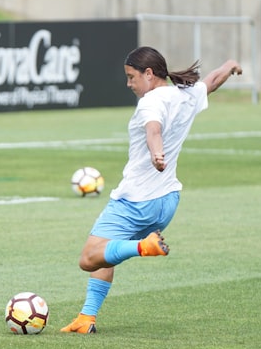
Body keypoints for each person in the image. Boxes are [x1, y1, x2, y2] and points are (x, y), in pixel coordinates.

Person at [60, 47, 243, 334]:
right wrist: (229, 65)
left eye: (131, 77)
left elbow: (153, 131)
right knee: (108, 250)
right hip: (168, 202)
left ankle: (144, 247)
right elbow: (211, 82)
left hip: (136, 201)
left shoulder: (151, 102)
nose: (129, 84)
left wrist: (157, 154)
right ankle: (86, 318)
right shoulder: (185, 94)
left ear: (148, 74)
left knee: (89, 257)